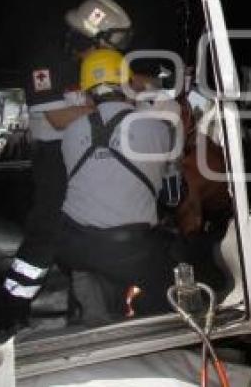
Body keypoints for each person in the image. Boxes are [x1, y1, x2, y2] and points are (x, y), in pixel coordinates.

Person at [0, 0, 133, 331]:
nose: (116, 51)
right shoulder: (47, 58)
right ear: (92, 34)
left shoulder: (91, 62)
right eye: (111, 42)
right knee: (47, 234)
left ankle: (86, 312)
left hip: (83, 154)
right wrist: (112, 109)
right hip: (55, 159)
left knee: (91, 229)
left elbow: (126, 84)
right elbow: (57, 118)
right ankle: (9, 312)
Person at [56, 48, 173, 318]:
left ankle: (90, 314)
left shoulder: (70, 133)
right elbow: (167, 183)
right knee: (166, 276)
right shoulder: (155, 127)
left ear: (86, 93)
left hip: (79, 247)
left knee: (87, 284)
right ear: (128, 84)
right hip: (135, 248)